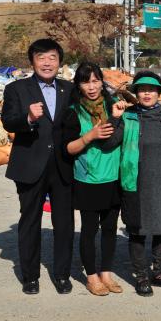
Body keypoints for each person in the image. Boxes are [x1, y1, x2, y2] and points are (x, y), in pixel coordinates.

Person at [2, 39, 75, 295]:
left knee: (64, 223)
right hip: (30, 164)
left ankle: (62, 275)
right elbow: (8, 121)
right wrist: (28, 118)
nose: (47, 63)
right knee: (30, 221)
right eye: (41, 57)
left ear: (60, 62)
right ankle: (30, 277)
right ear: (32, 62)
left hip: (63, 166)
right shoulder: (16, 89)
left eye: (52, 57)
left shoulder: (69, 88)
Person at [62, 63, 127, 296]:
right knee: (89, 230)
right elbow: (68, 148)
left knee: (110, 228)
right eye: (85, 82)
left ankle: (106, 274)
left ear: (102, 82)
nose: (91, 87)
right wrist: (89, 136)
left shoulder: (113, 106)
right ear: (78, 85)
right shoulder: (73, 111)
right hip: (88, 179)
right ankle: (91, 276)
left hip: (113, 177)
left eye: (95, 81)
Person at [120, 71, 161, 296]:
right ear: (136, 93)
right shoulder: (127, 117)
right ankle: (141, 276)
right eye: (142, 90)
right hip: (137, 180)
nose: (147, 94)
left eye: (152, 90)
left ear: (158, 93)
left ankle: (158, 273)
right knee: (137, 229)